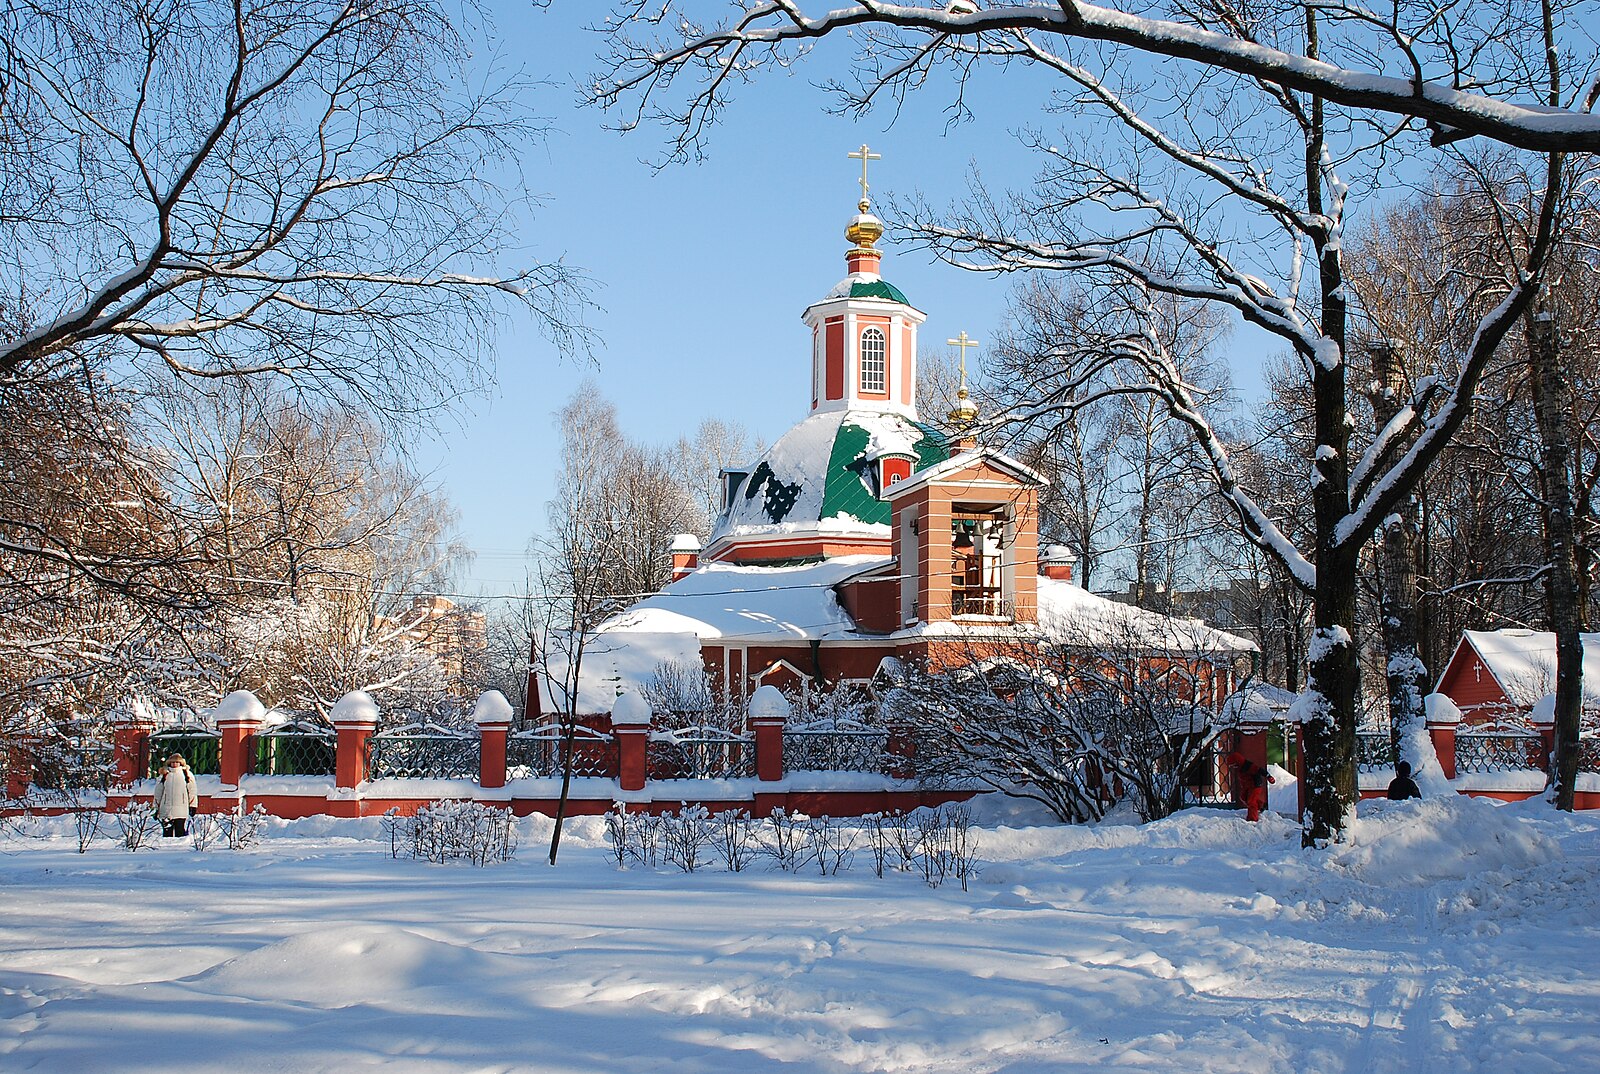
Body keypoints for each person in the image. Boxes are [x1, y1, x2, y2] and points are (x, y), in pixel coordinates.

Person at [154, 754, 198, 837]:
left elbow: (192, 791)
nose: (174, 764)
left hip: (181, 808)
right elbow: (158, 792)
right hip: (166, 808)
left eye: (177, 762)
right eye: (173, 762)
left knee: (180, 832)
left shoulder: (186, 774)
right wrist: (156, 808)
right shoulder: (164, 775)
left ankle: (179, 849)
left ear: (181, 763)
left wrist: (193, 805)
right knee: (167, 833)